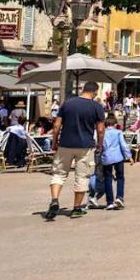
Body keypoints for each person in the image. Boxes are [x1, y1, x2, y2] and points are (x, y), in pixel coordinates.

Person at [44, 81, 106, 221]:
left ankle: (54, 200)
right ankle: (77, 208)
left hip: (65, 144)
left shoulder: (67, 104)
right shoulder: (96, 106)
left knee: (58, 174)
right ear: (95, 92)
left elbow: (56, 126)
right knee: (82, 177)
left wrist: (54, 142)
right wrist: (100, 145)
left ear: (83, 89)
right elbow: (101, 130)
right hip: (85, 146)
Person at [98, 114, 129, 210]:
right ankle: (119, 197)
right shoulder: (118, 132)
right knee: (120, 177)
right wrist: (128, 156)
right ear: (115, 124)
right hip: (118, 157)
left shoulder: (102, 133)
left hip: (106, 158)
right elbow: (123, 145)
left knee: (108, 178)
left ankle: (109, 202)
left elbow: (99, 145)